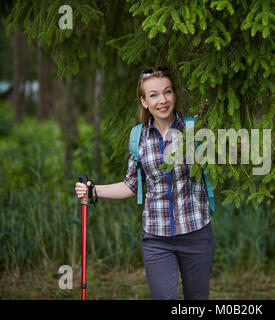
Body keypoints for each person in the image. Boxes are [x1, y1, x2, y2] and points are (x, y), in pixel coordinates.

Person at [75, 67, 215, 300]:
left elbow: (227, 153)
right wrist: (93, 190)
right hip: (156, 239)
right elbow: (132, 184)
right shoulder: (137, 137)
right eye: (154, 95)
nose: (163, 100)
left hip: (196, 233)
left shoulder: (195, 130)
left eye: (167, 92)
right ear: (144, 101)